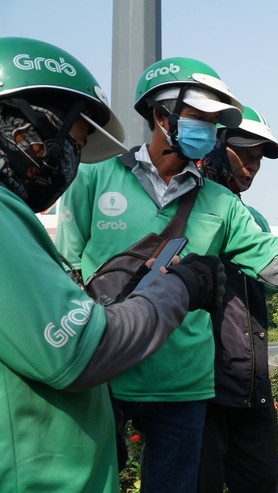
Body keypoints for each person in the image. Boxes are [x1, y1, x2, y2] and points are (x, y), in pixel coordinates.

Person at [56, 57, 278, 493]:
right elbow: (66, 270)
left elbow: (274, 260)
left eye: (213, 122)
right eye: (198, 118)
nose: (207, 130)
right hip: (107, 368)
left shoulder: (220, 203)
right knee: (92, 481)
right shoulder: (94, 178)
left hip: (182, 380)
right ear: (159, 115)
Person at [0, 38, 225, 492]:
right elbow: (82, 348)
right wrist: (177, 286)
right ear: (24, 134)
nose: (70, 164)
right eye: (72, 144)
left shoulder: (217, 200)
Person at [195, 105, 278, 493]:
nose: (252, 167)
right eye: (245, 154)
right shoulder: (182, 206)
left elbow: (271, 280)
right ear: (216, 143)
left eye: (258, 160)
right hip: (195, 384)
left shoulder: (252, 217)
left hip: (246, 383)